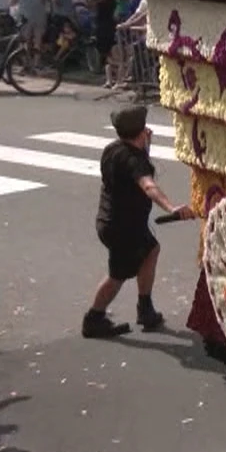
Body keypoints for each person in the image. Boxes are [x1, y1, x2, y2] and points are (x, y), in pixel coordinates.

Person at [85, 105, 192, 338]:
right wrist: (172, 207)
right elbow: (147, 185)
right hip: (122, 228)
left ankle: (145, 307)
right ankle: (94, 318)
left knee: (151, 250)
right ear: (141, 131)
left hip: (114, 222)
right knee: (118, 275)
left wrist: (146, 146)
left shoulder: (113, 150)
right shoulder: (134, 160)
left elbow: (134, 167)